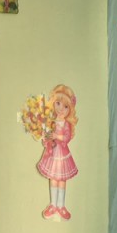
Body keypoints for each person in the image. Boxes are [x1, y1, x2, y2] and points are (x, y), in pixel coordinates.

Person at [36, 84, 78, 221]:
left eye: (65, 106)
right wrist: (46, 138)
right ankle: (53, 205)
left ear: (70, 110)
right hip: (52, 153)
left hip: (62, 154)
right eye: (58, 103)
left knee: (62, 180)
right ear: (53, 103)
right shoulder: (51, 122)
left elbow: (67, 137)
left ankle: (61, 205)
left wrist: (56, 136)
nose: (61, 109)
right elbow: (48, 137)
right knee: (53, 179)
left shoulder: (66, 124)